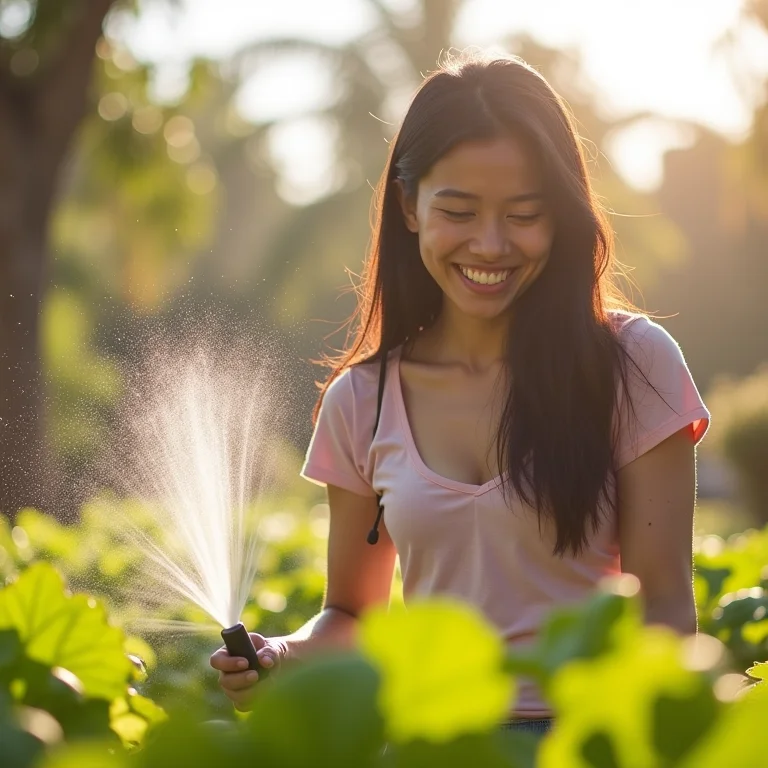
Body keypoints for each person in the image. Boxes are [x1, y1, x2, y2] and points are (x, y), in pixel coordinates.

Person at [210, 50, 710, 736]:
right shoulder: (362, 401)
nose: (492, 243)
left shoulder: (635, 365)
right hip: (433, 740)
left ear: (561, 215)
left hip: (590, 737)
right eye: (460, 211)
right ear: (410, 208)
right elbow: (354, 617)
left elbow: (666, 613)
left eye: (524, 213)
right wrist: (280, 654)